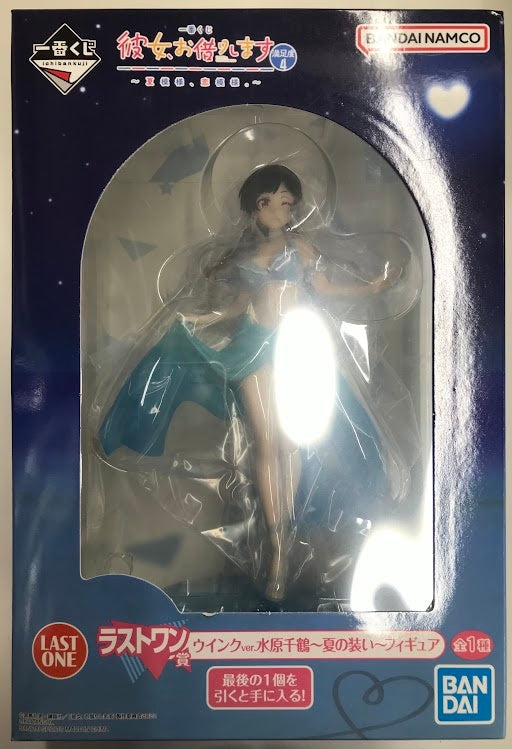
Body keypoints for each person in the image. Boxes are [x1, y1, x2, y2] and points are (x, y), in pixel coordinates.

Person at [99, 164, 404, 602]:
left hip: (296, 346)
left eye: (286, 202)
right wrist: (197, 319)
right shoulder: (243, 255)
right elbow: (239, 306)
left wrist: (374, 287)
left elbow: (325, 289)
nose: (278, 210)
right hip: (253, 345)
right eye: (267, 202)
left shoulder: (302, 248)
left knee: (292, 441)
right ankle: (277, 544)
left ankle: (284, 541)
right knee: (266, 441)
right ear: (253, 208)